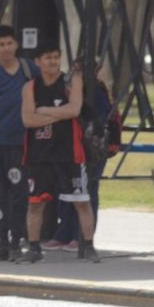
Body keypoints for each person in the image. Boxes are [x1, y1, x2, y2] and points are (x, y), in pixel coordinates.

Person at [18, 41, 101, 264]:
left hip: (69, 153)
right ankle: (34, 247)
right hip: (39, 154)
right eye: (48, 57)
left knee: (82, 201)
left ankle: (89, 246)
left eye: (56, 57)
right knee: (36, 203)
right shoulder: (30, 88)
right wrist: (60, 114)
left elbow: (74, 109)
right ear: (38, 62)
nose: (53, 61)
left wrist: (44, 111)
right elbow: (28, 119)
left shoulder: (71, 81)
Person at [0, 25, 38, 261]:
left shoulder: (28, 70)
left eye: (10, 43)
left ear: (16, 45)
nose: (6, 48)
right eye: (1, 44)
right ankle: (1, 241)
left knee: (19, 194)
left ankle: (16, 241)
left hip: (22, 144)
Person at [43, 58, 111, 253]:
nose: (75, 74)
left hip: (91, 148)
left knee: (87, 191)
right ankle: (64, 232)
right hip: (70, 146)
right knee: (67, 191)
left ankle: (80, 234)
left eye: (79, 71)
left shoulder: (97, 92)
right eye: (74, 70)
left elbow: (95, 119)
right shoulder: (69, 90)